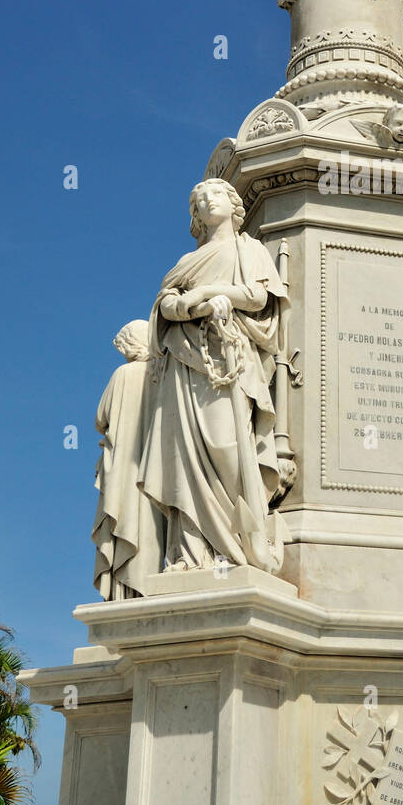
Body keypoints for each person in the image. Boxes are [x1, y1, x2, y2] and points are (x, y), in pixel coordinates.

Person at [138, 179, 288, 574]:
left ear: (233, 204)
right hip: (186, 365)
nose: (207, 201)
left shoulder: (249, 250)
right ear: (195, 216)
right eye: (199, 199)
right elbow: (165, 304)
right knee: (184, 456)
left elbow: (257, 298)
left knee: (228, 448)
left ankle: (237, 542)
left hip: (230, 359)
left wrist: (214, 294)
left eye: (215, 194)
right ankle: (191, 553)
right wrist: (188, 306)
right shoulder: (187, 263)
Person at [92, 320, 165, 600]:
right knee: (150, 525)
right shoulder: (161, 374)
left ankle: (121, 594)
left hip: (121, 465)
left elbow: (101, 419)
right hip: (153, 467)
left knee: (122, 518)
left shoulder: (122, 374)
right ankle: (146, 587)